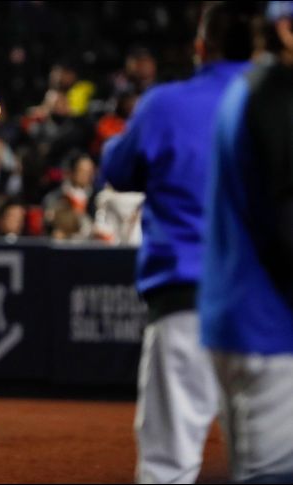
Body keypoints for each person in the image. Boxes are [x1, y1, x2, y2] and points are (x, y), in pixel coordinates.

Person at [100, 3, 254, 483]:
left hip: (187, 303)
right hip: (268, 312)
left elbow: (117, 168)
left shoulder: (166, 104)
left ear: (200, 47)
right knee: (270, 465)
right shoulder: (278, 103)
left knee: (168, 467)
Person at [200, 2, 293, 482]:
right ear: (285, 30)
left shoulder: (253, 90)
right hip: (270, 329)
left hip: (246, 321)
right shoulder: (275, 96)